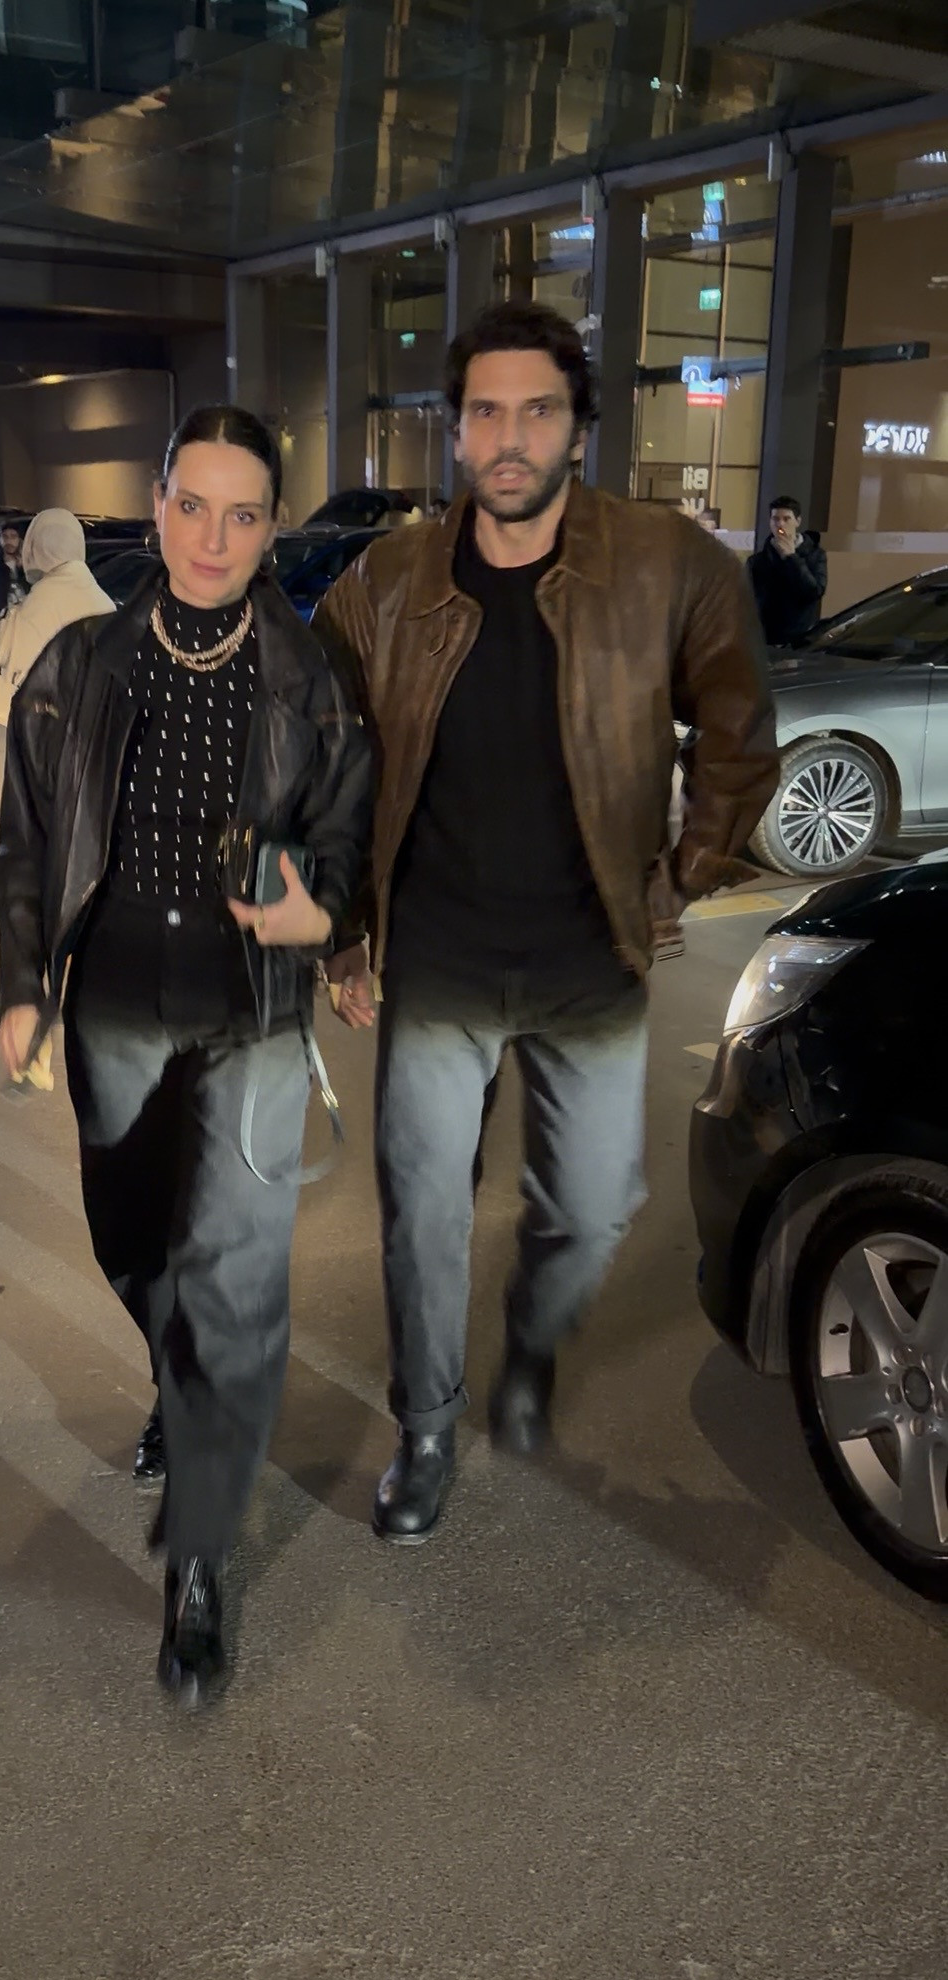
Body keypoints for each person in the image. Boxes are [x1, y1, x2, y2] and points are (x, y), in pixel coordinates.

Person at [315, 299, 778, 1544]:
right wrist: (345, 924)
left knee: (592, 1206)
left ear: (579, 425)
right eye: (485, 411)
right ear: (454, 428)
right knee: (422, 1210)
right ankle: (426, 1426)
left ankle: (532, 1335)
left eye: (536, 410)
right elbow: (321, 746)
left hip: (590, 958)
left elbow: (739, 732)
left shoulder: (667, 561)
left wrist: (678, 877)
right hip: (439, 959)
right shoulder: (391, 579)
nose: (509, 437)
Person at [0, 406, 371, 1705]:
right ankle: (174, 1369)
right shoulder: (82, 662)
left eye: (243, 513)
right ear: (156, 506)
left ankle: (198, 1565)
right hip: (114, 1008)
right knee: (130, 1242)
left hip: (248, 1014)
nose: (213, 537)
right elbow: (27, 840)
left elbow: (344, 832)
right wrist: (22, 982)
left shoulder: (308, 674)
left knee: (231, 1285)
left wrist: (324, 909)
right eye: (191, 505)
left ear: (271, 526)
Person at [0, 509, 114, 727]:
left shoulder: (40, 601)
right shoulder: (101, 599)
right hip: (96, 715)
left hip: (48, 720)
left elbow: (5, 648)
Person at [748, 495, 827, 649]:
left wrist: (791, 558)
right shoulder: (757, 561)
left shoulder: (815, 555)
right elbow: (747, 600)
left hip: (800, 640)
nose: (780, 524)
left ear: (798, 521)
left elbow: (814, 591)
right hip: (765, 640)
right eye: (775, 519)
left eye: (786, 519)